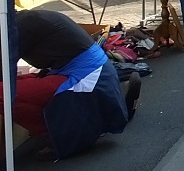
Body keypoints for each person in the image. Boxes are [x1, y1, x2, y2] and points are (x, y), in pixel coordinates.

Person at [2, 10, 131, 159]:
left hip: (86, 77)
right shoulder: (25, 20)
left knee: (4, 93)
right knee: (16, 84)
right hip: (91, 73)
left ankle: (57, 135)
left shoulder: (20, 27)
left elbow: (4, 70)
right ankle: (76, 122)